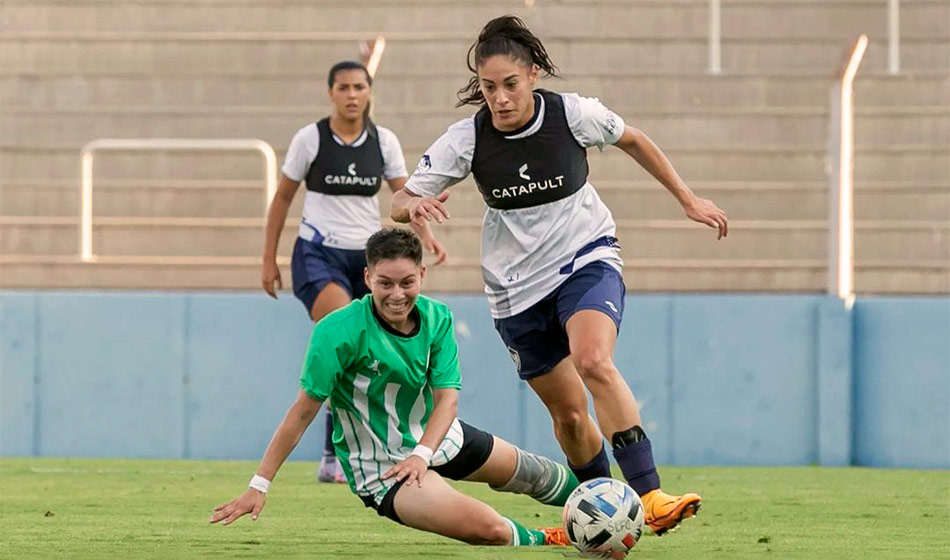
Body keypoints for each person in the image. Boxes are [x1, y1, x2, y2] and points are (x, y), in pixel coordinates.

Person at [392, 15, 729, 536]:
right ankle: (598, 511)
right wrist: (412, 205)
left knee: (594, 359)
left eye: (509, 84)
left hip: (584, 258)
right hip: (515, 289)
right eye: (488, 87)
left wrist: (687, 198)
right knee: (570, 417)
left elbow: (634, 140)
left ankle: (650, 494)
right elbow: (399, 199)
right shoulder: (467, 138)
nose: (500, 98)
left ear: (532, 75)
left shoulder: (574, 114)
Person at [212, 229, 575, 548]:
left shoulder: (438, 318)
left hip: (436, 438)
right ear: (368, 277)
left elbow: (447, 400)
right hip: (382, 467)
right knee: (491, 529)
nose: (397, 294)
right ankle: (555, 537)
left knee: (536, 473)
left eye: (407, 282)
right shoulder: (336, 331)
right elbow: (302, 412)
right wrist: (259, 484)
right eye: (385, 283)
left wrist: (422, 453)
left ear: (422, 274)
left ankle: (622, 504)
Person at [261, 60, 447, 483]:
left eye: (358, 86)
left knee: (365, 352)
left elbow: (406, 195)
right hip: (317, 254)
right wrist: (268, 258)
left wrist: (427, 236)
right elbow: (282, 199)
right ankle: (332, 455)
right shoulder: (311, 139)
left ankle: (334, 453)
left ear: (368, 92)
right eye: (343, 87)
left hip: (366, 258)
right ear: (331, 93)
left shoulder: (383, 142)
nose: (351, 94)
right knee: (344, 335)